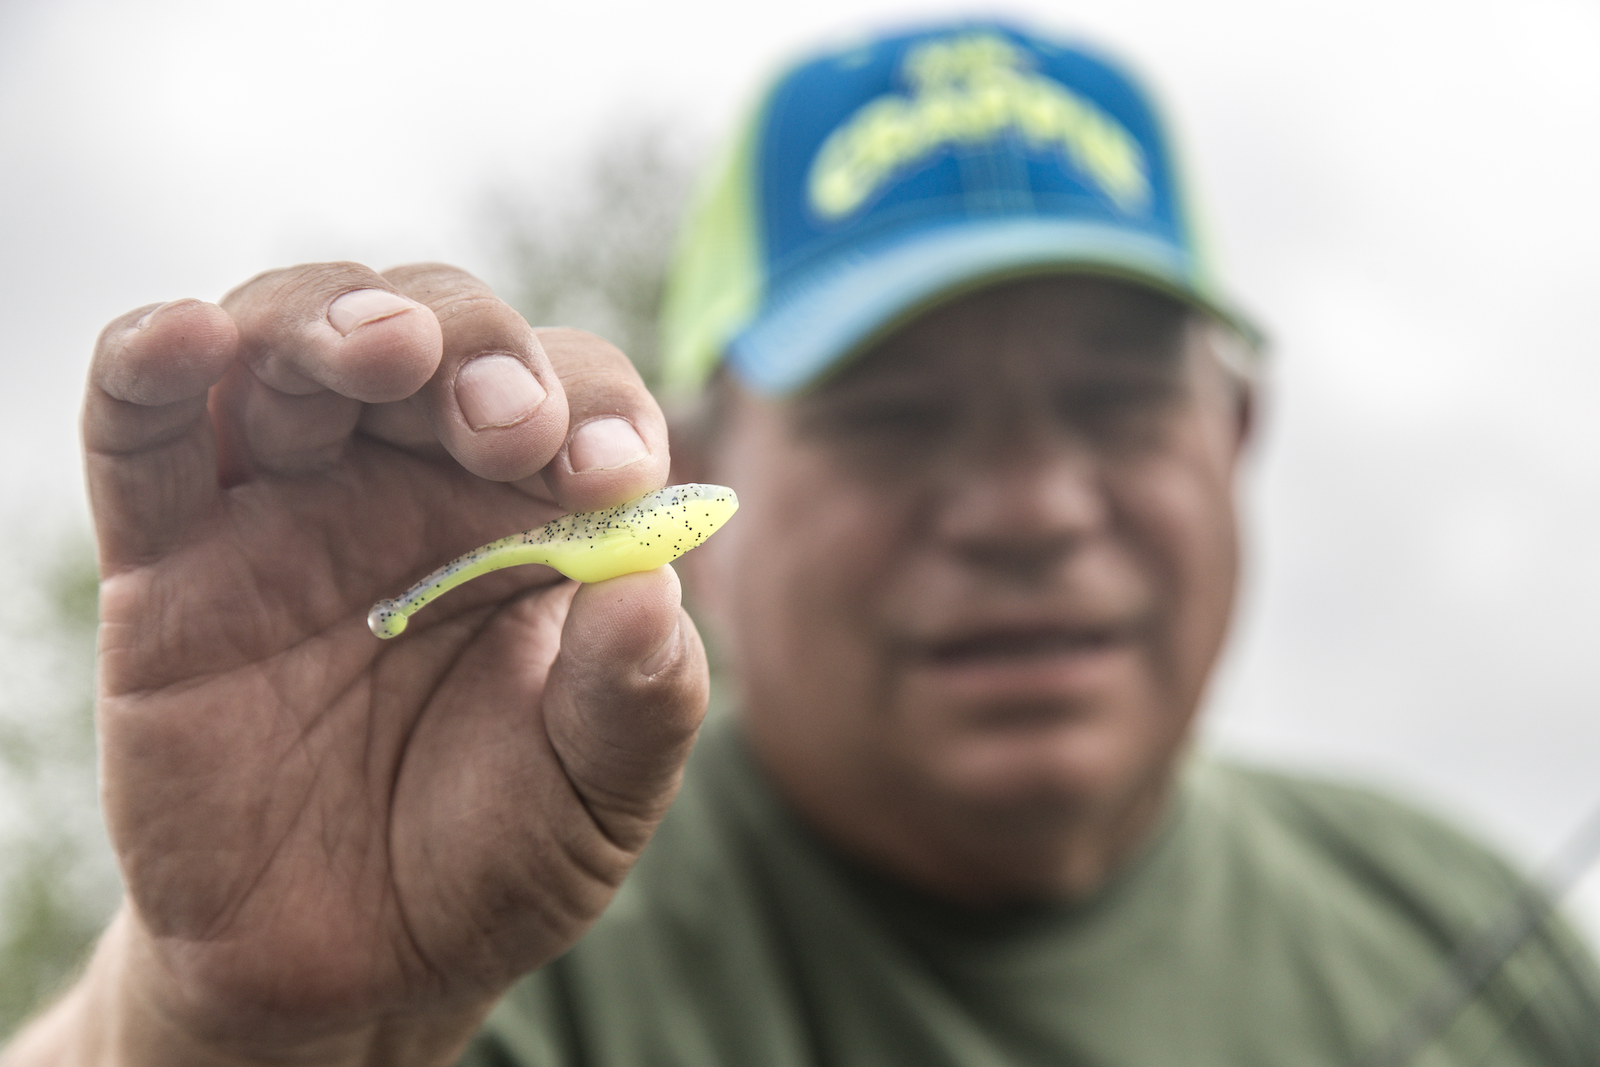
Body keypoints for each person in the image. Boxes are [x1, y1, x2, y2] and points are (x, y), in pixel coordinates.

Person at [5, 18, 1599, 1067]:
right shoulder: (485, 936)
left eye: (1116, 402)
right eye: (895, 413)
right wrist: (200, 1031)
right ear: (693, 475)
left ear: (1234, 442)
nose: (1037, 506)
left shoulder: (1467, 925)